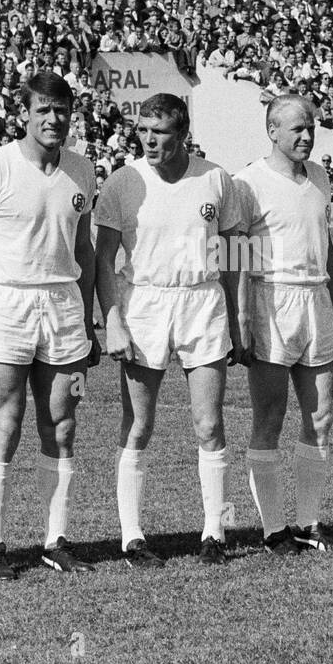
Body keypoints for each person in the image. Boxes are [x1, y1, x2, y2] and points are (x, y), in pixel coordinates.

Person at [0, 72, 100, 579]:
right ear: (26, 114)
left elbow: (84, 248)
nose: (53, 120)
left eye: (61, 111)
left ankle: (55, 540)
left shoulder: (83, 170)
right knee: (4, 422)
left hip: (64, 305)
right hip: (5, 303)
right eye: (43, 110)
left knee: (61, 423)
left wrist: (93, 317)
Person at [95, 93, 243, 567]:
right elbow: (102, 258)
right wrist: (113, 318)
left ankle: (214, 533)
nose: (149, 140)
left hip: (203, 301)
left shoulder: (216, 178)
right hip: (145, 302)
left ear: (182, 136)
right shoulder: (123, 182)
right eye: (143, 131)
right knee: (139, 423)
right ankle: (132, 537)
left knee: (209, 423)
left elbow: (237, 250)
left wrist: (238, 316)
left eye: (159, 132)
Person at [234, 94, 333, 553]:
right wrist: (241, 315)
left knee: (320, 416)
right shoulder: (247, 182)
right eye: (297, 128)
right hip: (270, 299)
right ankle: (272, 530)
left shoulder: (319, 178)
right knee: (269, 416)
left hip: (316, 299)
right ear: (272, 132)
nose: (307, 135)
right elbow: (235, 253)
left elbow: (326, 249)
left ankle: (309, 522)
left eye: (311, 127)